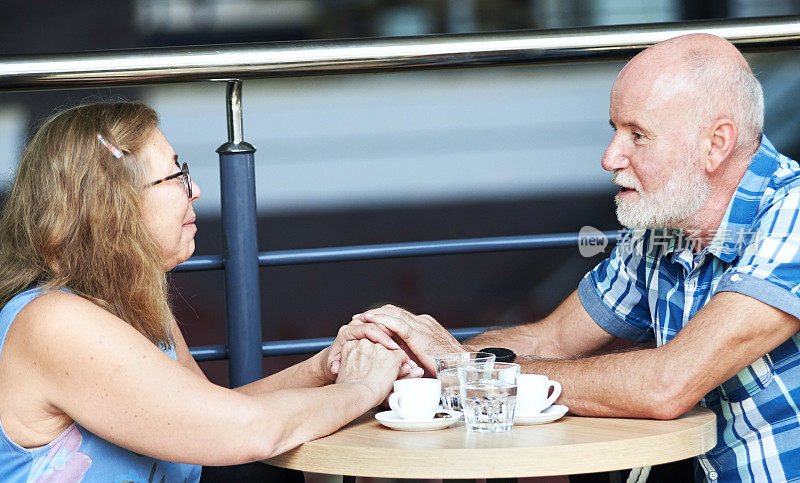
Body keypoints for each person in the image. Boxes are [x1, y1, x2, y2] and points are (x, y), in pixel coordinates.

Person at [346, 34, 800, 482]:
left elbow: (667, 384)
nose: (609, 158)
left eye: (637, 135)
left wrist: (470, 372)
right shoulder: (664, 231)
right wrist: (420, 363)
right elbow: (551, 340)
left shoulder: (792, 214)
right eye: (614, 130)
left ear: (715, 143)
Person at [0, 101, 422, 482]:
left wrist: (325, 367)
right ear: (115, 204)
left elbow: (209, 412)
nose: (195, 189)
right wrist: (361, 389)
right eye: (176, 174)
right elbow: (245, 430)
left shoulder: (129, 299)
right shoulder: (52, 320)